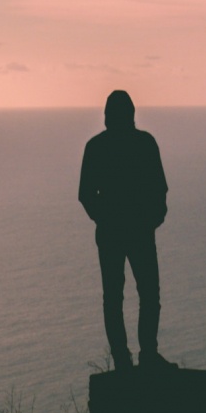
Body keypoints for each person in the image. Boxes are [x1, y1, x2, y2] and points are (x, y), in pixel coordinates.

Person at [78, 90, 173, 372]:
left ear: (108, 116)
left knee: (115, 297)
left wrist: (104, 218)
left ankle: (124, 358)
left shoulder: (96, 147)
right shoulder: (144, 143)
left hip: (114, 233)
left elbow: (86, 194)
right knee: (147, 294)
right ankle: (146, 354)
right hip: (137, 231)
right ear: (131, 114)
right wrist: (151, 219)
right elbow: (160, 189)